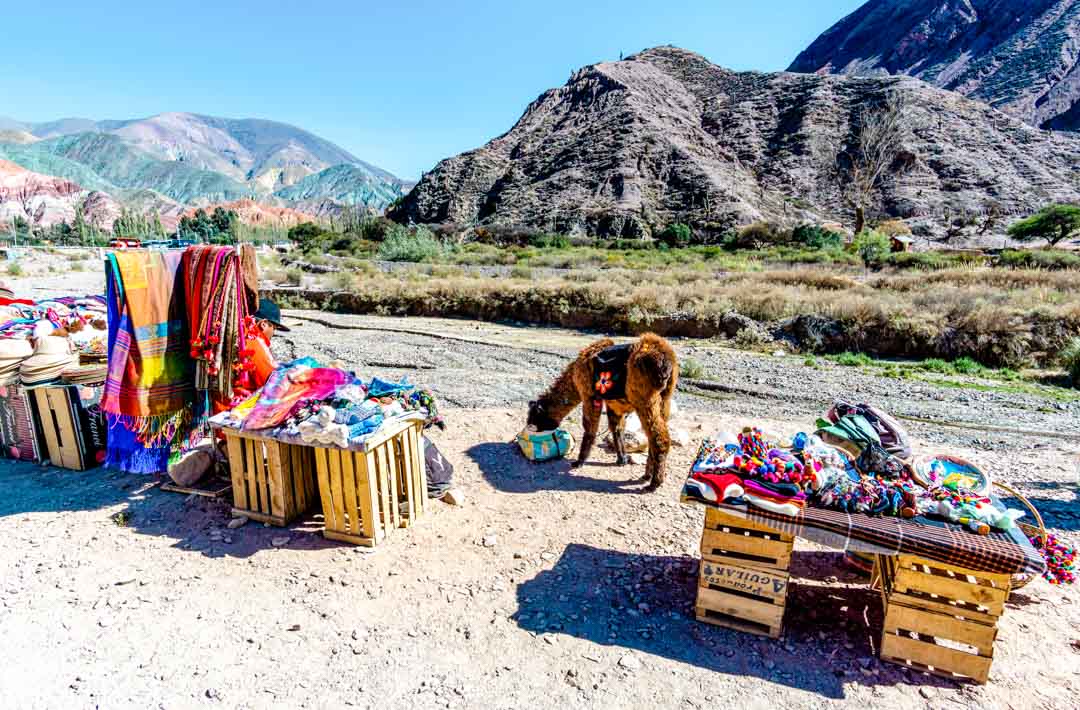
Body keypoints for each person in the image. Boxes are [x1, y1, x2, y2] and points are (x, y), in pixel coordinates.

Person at [250, 298, 290, 389]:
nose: (273, 333)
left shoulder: (244, 334)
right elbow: (269, 382)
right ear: (263, 324)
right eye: (274, 328)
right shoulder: (255, 342)